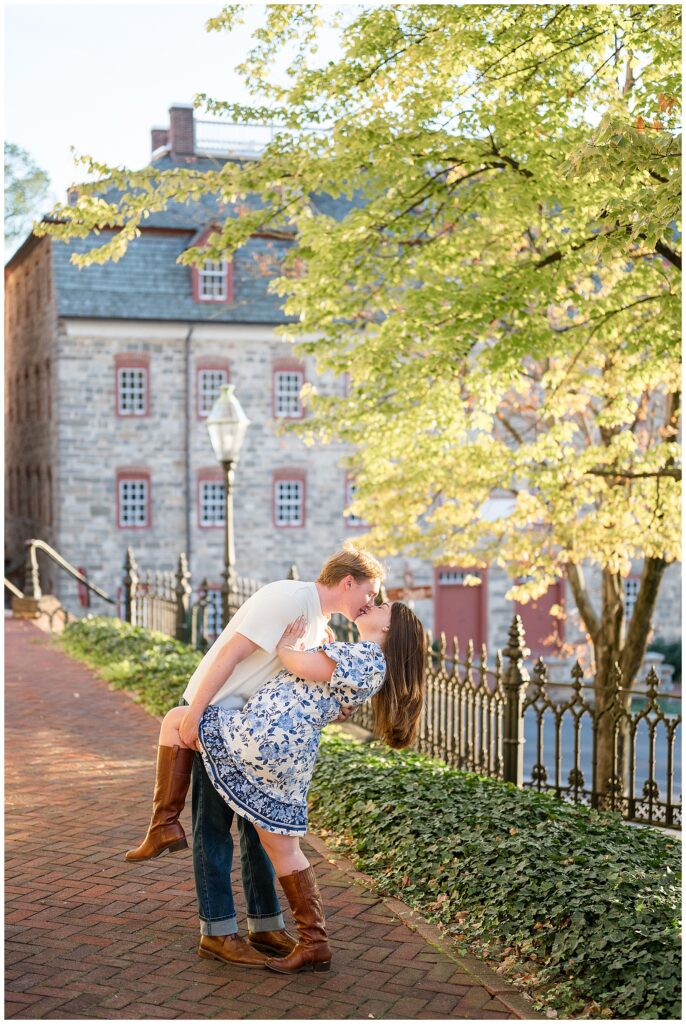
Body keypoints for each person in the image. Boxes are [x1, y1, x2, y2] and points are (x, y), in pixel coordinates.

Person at [133, 598, 426, 974]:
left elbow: (297, 664)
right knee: (282, 848)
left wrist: (287, 645)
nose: (373, 603)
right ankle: (314, 944)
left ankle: (164, 824)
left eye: (383, 605)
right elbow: (322, 690)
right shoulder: (365, 660)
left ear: (390, 627)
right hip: (289, 751)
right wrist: (323, 648)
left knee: (178, 720)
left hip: (268, 739)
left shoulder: (367, 656)